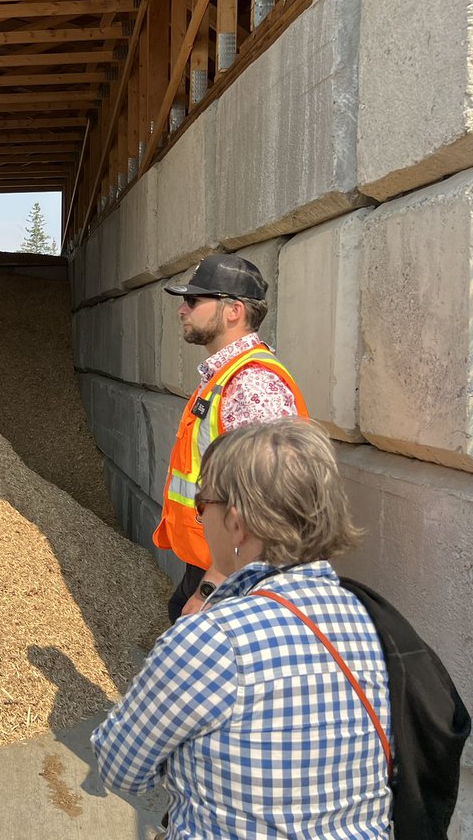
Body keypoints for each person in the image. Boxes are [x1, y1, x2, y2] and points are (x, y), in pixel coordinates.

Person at [92, 419, 392, 837]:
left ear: (236, 522)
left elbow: (119, 766)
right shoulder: (370, 620)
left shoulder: (209, 640)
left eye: (201, 506)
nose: (200, 519)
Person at [155, 252, 307, 622]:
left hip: (241, 577)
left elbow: (268, 498)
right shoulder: (225, 378)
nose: (182, 310)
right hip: (221, 564)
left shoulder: (252, 383)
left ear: (233, 311)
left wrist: (214, 586)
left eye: (193, 300)